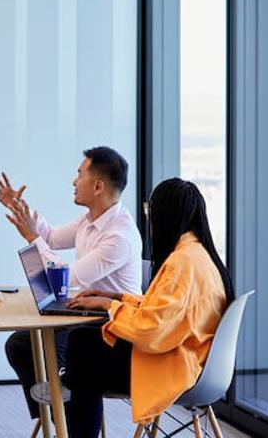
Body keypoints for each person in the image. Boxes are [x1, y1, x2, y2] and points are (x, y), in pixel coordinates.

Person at [43, 178, 234, 438]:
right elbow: (167, 311)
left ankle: (65, 400)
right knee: (83, 353)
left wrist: (109, 305)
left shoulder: (182, 262)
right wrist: (117, 297)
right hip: (194, 357)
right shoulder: (199, 254)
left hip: (175, 365)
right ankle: (67, 393)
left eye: (150, 212)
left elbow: (153, 327)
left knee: (82, 348)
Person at [0, 146, 142, 419]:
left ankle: (67, 402)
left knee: (64, 352)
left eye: (79, 174)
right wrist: (20, 208)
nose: (74, 182)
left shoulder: (118, 237)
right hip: (87, 314)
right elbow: (50, 237)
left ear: (97, 186)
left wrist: (30, 238)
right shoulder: (90, 219)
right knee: (19, 344)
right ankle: (56, 413)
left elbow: (65, 277)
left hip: (115, 328)